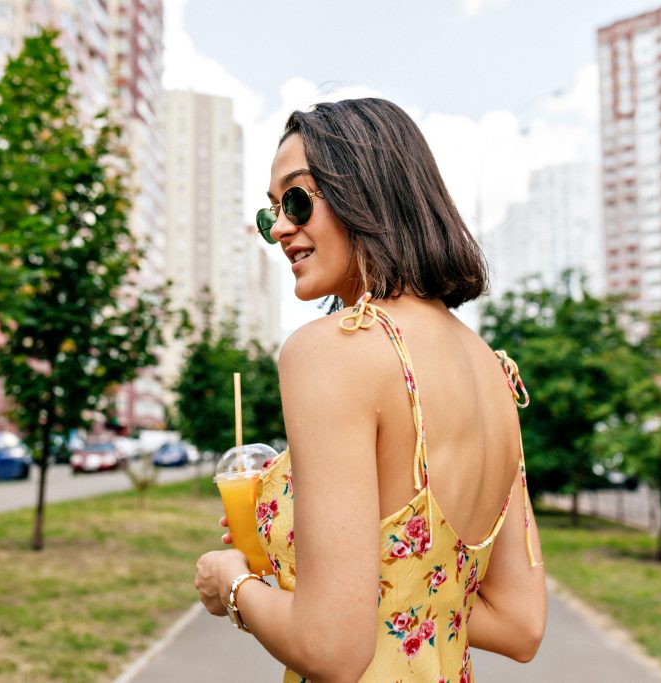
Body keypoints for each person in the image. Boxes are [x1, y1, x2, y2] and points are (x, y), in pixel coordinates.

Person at [194, 98, 547, 683]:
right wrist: (312, 573)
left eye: (296, 200)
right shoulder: (493, 372)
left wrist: (231, 583)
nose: (278, 229)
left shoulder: (334, 349)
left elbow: (331, 649)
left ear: (367, 192)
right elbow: (518, 622)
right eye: (269, 213)